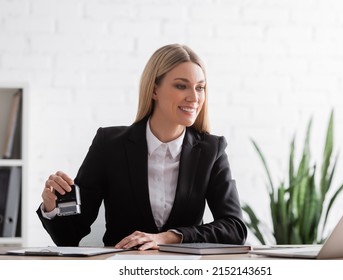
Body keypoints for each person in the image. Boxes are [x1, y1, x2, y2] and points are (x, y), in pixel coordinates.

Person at [37, 43, 247, 250]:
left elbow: (235, 228)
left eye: (200, 87)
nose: (194, 97)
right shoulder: (109, 144)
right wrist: (52, 207)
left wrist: (168, 237)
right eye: (181, 86)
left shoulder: (212, 150)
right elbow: (69, 237)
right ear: (154, 90)